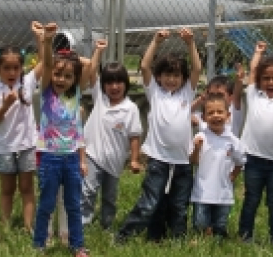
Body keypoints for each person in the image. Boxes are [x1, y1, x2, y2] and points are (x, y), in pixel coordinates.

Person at [115, 29, 202, 243]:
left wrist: (190, 44)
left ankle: (177, 239)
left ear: (182, 78)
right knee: (150, 203)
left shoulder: (186, 93)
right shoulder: (155, 93)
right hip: (159, 161)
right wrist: (155, 42)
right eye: (167, 75)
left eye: (176, 75)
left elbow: (197, 68)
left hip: (182, 163)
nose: (171, 79)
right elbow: (144, 66)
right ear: (159, 77)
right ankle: (124, 236)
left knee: (179, 204)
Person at [32, 22, 91, 256]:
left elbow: (88, 66)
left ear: (74, 80)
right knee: (46, 204)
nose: (60, 79)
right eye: (57, 74)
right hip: (49, 157)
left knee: (73, 206)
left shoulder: (76, 93)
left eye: (67, 76)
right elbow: (46, 64)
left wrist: (71, 57)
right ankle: (39, 244)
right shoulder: (46, 91)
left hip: (71, 159)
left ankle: (78, 245)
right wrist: (47, 42)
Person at [0, 23, 41, 232]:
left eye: (16, 67)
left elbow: (43, 62)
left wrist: (39, 38)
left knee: (27, 188)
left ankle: (28, 225)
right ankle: (5, 226)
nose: (12, 72)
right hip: (5, 147)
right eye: (6, 68)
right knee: (7, 189)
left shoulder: (27, 84)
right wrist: (5, 105)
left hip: (26, 145)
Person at [80, 39, 143, 229]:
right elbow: (91, 73)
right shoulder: (100, 98)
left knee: (109, 196)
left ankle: (106, 225)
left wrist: (134, 159)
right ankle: (83, 222)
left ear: (125, 84)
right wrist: (98, 51)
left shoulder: (130, 109)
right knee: (87, 191)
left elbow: (134, 136)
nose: (114, 87)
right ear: (103, 85)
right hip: (92, 154)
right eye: (109, 82)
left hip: (114, 161)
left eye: (118, 82)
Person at [237, 41, 273, 245]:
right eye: (266, 78)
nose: (271, 82)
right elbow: (252, 70)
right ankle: (245, 235)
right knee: (251, 199)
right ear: (259, 81)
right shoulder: (254, 96)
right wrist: (257, 53)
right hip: (253, 160)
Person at [189, 93, 246, 238]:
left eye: (219, 112)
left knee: (220, 225)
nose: (215, 116)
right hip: (202, 191)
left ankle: (217, 240)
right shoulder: (201, 137)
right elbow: (193, 161)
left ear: (228, 115)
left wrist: (234, 174)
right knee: (200, 224)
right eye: (211, 113)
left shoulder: (233, 140)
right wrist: (196, 148)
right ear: (203, 117)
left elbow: (241, 160)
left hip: (223, 192)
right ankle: (204, 239)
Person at [190, 64, 244, 135]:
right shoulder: (204, 115)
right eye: (211, 95)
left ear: (231, 98)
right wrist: (199, 100)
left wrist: (239, 81)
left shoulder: (234, 113)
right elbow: (182, 114)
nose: (216, 98)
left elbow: (237, 94)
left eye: (220, 95)